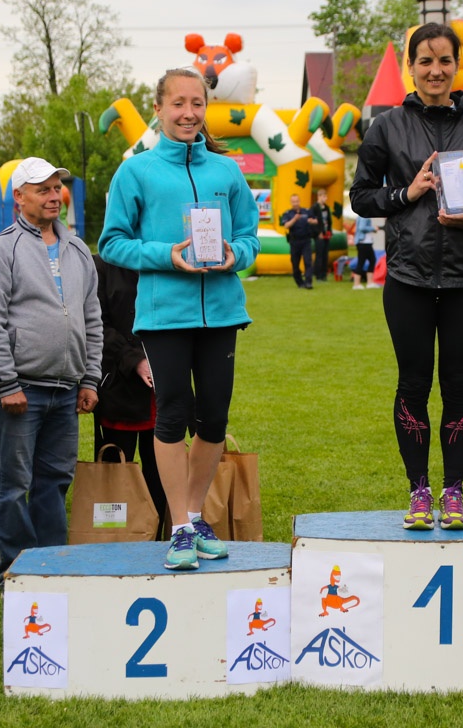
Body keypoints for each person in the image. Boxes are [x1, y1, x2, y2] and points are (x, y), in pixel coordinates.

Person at [350, 22, 463, 531]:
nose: (435, 70)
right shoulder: (386, 126)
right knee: (413, 384)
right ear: (411, 66)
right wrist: (408, 192)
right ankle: (419, 491)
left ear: (456, 65)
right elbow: (361, 197)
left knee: (459, 385)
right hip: (408, 279)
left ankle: (454, 492)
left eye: (444, 60)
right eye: (425, 61)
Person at [100, 67, 260, 570]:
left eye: (197, 103)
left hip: (222, 314)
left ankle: (192, 517)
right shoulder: (136, 172)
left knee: (214, 418)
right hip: (164, 315)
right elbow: (112, 243)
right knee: (171, 416)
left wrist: (236, 254)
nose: (189, 113)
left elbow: (250, 237)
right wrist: (167, 255)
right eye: (178, 104)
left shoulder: (227, 172)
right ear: (159, 109)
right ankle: (181, 529)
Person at [0, 157, 102, 580]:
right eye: (42, 189)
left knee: (55, 481)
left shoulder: (78, 249)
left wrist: (90, 378)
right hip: (22, 388)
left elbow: (92, 317)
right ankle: (16, 571)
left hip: (67, 389)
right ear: (19, 196)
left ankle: (52, 568)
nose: (53, 196)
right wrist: (6, 383)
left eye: (56, 188)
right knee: (14, 485)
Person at [92, 255, 168, 539]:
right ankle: (113, 540)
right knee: (116, 469)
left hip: (163, 387)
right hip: (119, 386)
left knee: (160, 471)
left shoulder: (163, 257)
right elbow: (96, 324)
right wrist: (134, 360)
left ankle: (156, 537)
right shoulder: (102, 265)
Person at [280, 194, 317, 289]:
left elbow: (316, 220)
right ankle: (300, 282)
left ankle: (308, 282)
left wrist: (312, 221)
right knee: (295, 264)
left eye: (297, 201)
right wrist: (295, 219)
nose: (295, 203)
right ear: (291, 202)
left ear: (299, 201)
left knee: (308, 261)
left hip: (306, 240)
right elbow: (286, 225)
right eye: (293, 202)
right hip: (294, 241)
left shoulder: (306, 211)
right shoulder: (288, 214)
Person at [310, 189, 333, 283]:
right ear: (319, 196)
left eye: (326, 197)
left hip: (326, 233)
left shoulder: (326, 208)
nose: (325, 198)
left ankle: (324, 274)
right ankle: (318, 274)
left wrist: (329, 231)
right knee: (319, 254)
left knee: (325, 254)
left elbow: (329, 221)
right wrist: (318, 232)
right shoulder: (315, 207)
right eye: (324, 196)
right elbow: (313, 222)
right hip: (319, 234)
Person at [351, 214, 379, 290]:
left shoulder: (363, 215)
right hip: (364, 242)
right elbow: (362, 227)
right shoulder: (364, 215)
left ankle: (369, 282)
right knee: (362, 261)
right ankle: (356, 284)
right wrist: (373, 228)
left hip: (365, 242)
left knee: (372, 260)